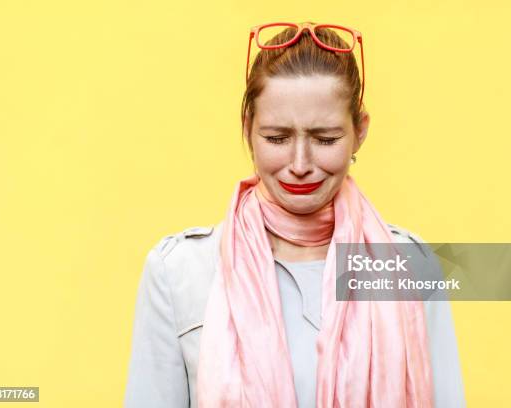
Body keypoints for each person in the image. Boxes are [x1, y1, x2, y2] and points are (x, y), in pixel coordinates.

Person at [124, 22, 465, 408]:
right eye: (277, 138)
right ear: (247, 128)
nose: (300, 164)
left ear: (360, 132)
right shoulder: (178, 271)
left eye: (325, 139)